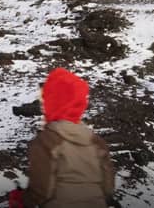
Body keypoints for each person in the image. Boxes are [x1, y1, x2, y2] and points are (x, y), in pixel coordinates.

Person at [16, 68, 115, 207]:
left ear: (56, 101)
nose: (42, 105)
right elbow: (108, 187)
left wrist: (21, 200)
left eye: (45, 99)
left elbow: (42, 190)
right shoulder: (96, 141)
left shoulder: (48, 140)